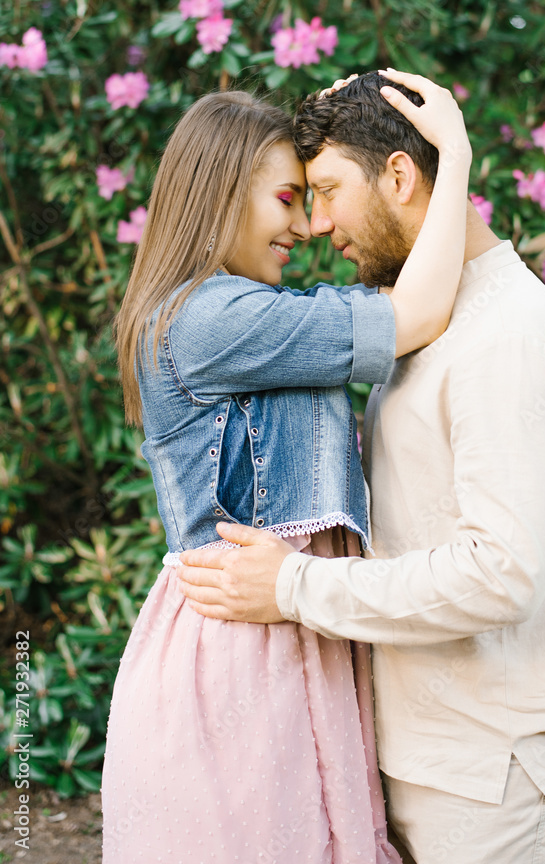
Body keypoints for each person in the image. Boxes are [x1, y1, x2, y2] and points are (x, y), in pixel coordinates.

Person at [177, 70, 545, 864]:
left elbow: (500, 571)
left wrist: (291, 586)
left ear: (398, 175)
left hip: (497, 761)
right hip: (435, 748)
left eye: (325, 191)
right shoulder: (434, 322)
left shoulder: (507, 333)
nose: (315, 225)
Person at [102, 76, 471, 862]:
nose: (305, 226)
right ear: (223, 194)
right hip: (245, 647)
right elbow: (417, 315)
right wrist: (457, 158)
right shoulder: (209, 320)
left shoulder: (231, 311)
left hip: (280, 624)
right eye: (287, 199)